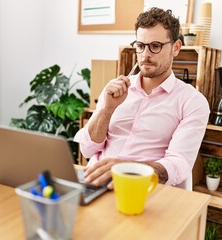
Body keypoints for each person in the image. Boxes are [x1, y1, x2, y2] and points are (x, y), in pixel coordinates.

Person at [74, 7, 210, 189]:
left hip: (141, 189)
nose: (145, 55)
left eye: (155, 46)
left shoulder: (192, 102)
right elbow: (87, 150)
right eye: (140, 46)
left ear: (176, 48)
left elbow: (178, 165)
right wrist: (107, 110)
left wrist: (126, 169)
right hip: (95, 182)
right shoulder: (115, 89)